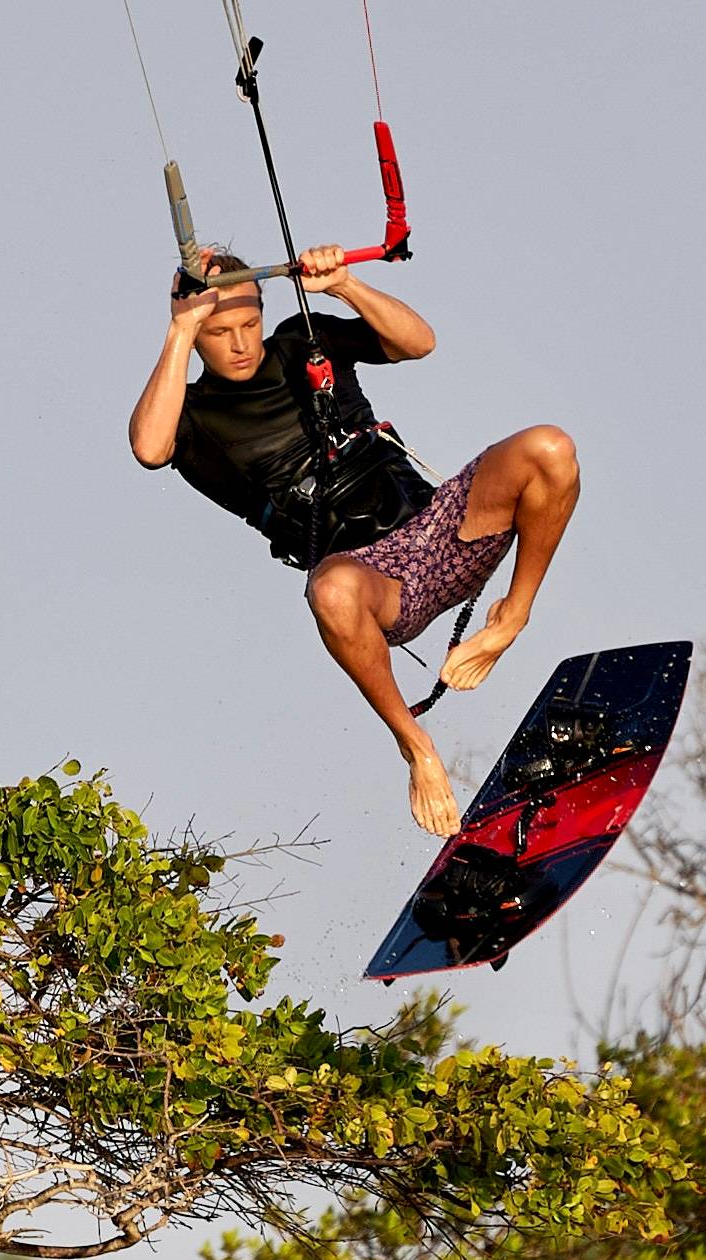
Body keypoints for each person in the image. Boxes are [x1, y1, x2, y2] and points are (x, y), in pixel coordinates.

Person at [127, 241, 580, 839]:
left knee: (549, 447)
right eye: (219, 332)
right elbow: (148, 449)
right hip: (376, 585)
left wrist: (345, 285)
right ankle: (416, 747)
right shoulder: (193, 415)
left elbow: (418, 343)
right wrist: (178, 332)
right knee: (331, 590)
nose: (239, 343)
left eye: (248, 323)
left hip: (443, 530)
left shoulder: (302, 343)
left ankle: (511, 616)